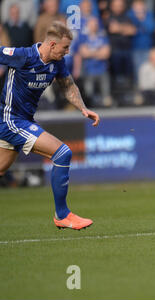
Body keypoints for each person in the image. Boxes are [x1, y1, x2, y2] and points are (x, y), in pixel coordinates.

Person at [0, 21, 100, 230]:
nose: (67, 52)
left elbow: (68, 84)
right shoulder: (23, 55)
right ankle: (62, 215)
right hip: (10, 119)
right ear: (52, 45)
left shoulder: (57, 62)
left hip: (24, 120)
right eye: (65, 48)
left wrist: (83, 108)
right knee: (62, 153)